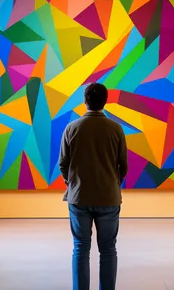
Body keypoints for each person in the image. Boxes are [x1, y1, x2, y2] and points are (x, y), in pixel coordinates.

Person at [58, 82, 129, 290]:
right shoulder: (116, 129)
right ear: (105, 101)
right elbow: (123, 166)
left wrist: (73, 183)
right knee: (108, 249)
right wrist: (113, 182)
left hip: (79, 198)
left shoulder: (72, 128)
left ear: (85, 101)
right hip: (109, 198)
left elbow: (63, 163)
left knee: (80, 248)